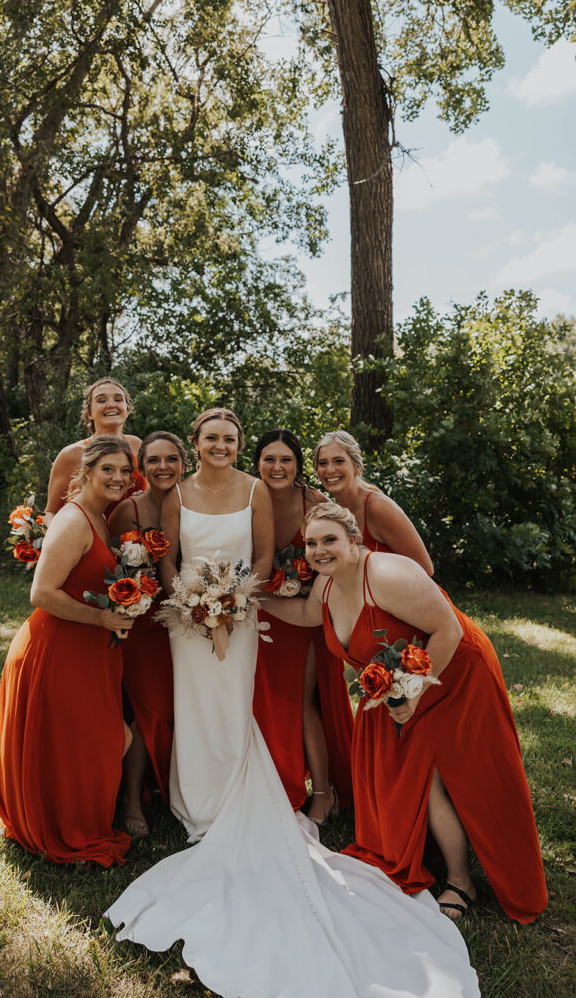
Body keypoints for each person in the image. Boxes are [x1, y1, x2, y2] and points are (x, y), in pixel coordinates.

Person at [104, 412, 480, 998]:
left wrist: (235, 601)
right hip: (186, 618)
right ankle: (192, 800)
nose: (221, 446)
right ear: (197, 444)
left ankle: (233, 796)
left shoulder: (256, 491)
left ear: (237, 446)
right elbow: (170, 555)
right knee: (192, 702)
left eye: (230, 439)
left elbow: (260, 557)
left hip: (243, 612)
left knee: (233, 704)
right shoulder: (177, 492)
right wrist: (190, 601)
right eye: (211, 439)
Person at [263, 501, 547, 925]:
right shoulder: (325, 584)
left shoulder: (387, 575)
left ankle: (461, 880)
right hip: (398, 684)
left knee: (441, 779)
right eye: (312, 543)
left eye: (330, 540)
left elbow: (448, 629)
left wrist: (411, 694)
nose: (319, 550)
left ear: (354, 542)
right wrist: (254, 603)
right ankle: (428, 853)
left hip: (455, 674)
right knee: (414, 778)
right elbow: (306, 614)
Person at [0, 436, 136, 865]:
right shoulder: (74, 520)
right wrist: (102, 619)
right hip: (57, 647)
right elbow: (41, 592)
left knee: (91, 739)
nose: (118, 478)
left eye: (125, 471)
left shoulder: (99, 516)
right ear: (86, 471)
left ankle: (64, 812)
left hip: (87, 648)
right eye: (108, 469)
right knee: (92, 739)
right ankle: (62, 823)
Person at [252, 428, 353, 821]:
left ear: (298, 465)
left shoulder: (316, 502)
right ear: (257, 462)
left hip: (305, 615)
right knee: (264, 700)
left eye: (286, 460)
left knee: (304, 701)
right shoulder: (246, 497)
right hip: (258, 615)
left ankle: (324, 792)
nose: (277, 467)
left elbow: (335, 557)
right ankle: (271, 781)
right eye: (269, 459)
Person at [108, 431, 188, 836]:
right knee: (144, 709)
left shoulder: (195, 502)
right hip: (141, 622)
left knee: (182, 706)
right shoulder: (126, 511)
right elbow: (107, 568)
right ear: (142, 467)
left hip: (189, 617)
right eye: (153, 460)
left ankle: (177, 786)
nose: (162, 468)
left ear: (184, 464)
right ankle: (130, 798)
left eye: (171, 459)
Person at [313, 429, 433, 574]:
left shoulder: (378, 507)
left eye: (339, 461)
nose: (330, 469)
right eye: (323, 463)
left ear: (356, 466)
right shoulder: (335, 514)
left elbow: (425, 569)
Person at [44, 378, 143, 523]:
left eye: (118, 399)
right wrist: (60, 540)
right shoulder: (72, 454)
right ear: (89, 412)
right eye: (101, 400)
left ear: (127, 409)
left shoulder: (137, 445)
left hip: (135, 539)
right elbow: (50, 511)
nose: (111, 405)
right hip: (87, 538)